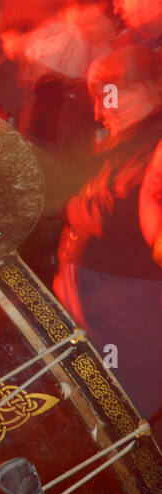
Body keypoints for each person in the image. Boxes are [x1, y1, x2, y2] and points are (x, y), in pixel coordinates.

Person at [57, 45, 162, 429]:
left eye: (111, 96)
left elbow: (118, 214)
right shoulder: (127, 139)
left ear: (146, 87)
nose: (102, 111)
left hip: (129, 308)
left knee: (128, 414)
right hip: (104, 305)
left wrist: (69, 205)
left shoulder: (153, 140)